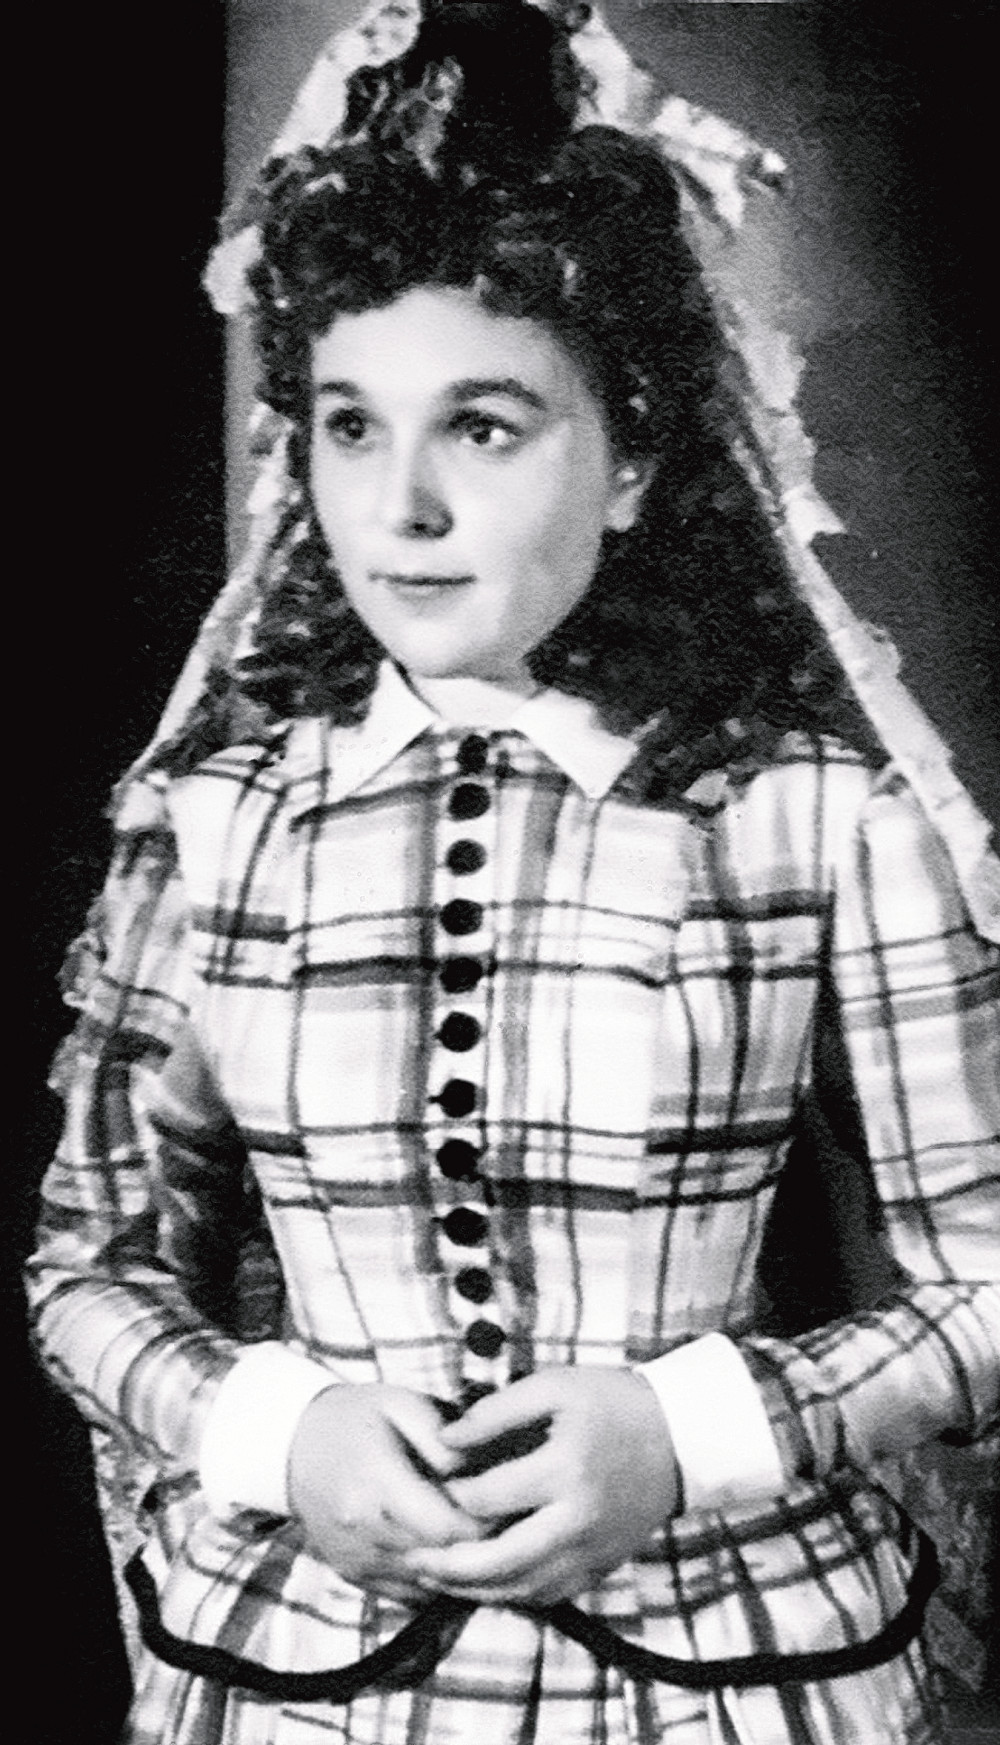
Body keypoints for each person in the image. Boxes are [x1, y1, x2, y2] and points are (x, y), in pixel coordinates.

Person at [27, 2, 999, 1741]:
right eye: (349, 425)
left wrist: (690, 1433)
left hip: (732, 1661)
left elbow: (993, 1275)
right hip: (301, 1675)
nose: (399, 505)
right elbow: (85, 1264)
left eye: (482, 426)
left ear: (631, 462)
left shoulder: (818, 816)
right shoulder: (211, 826)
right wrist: (279, 1431)